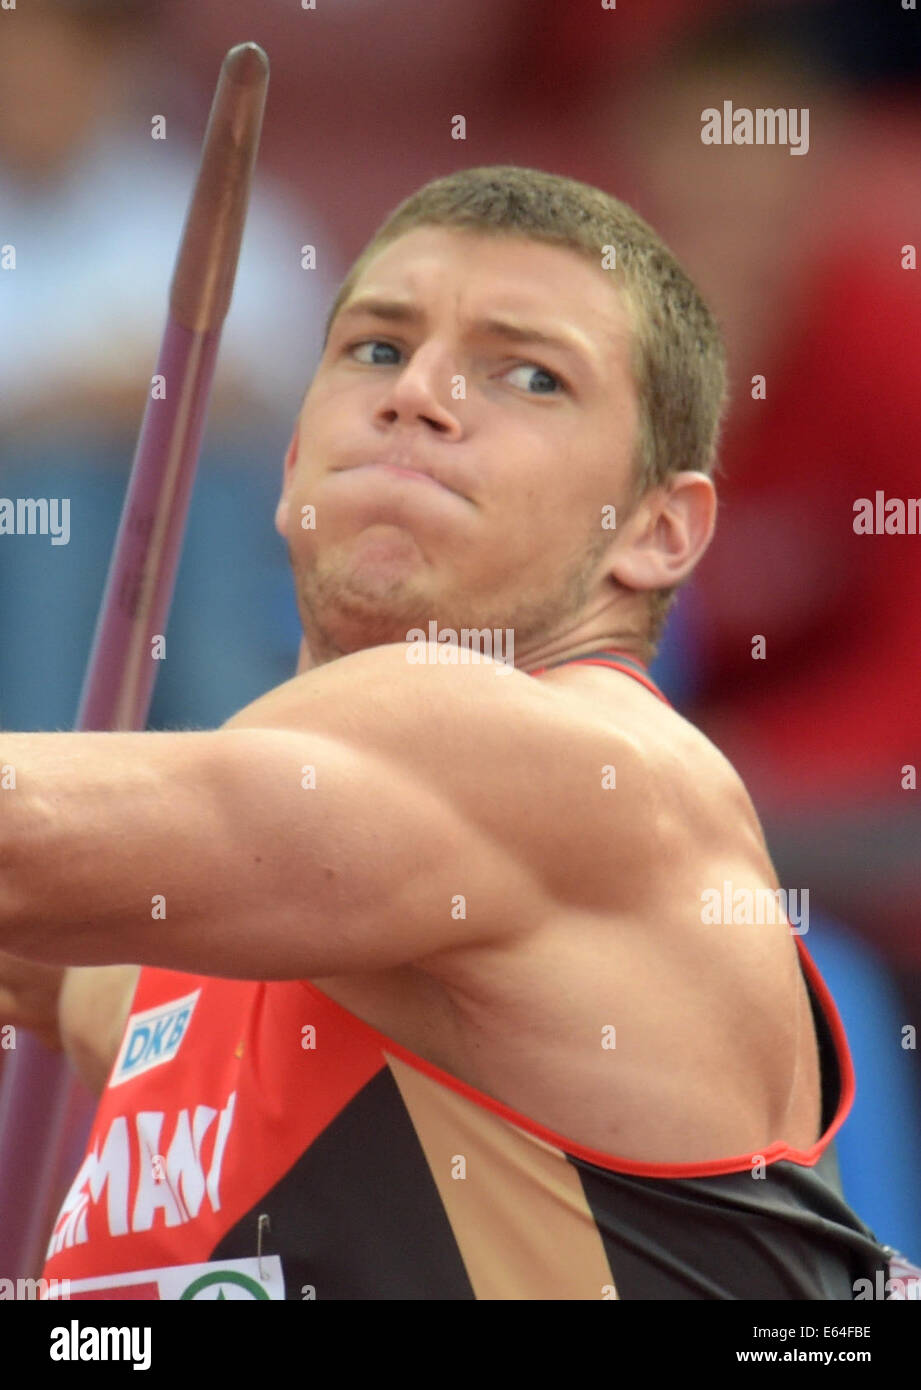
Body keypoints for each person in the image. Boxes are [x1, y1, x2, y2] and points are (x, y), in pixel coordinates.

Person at [1, 166, 900, 1300]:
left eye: (529, 375)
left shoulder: (584, 767)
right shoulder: (167, 964)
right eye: (378, 348)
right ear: (290, 468)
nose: (420, 392)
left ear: (662, 530)